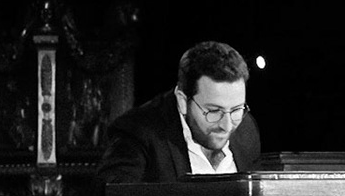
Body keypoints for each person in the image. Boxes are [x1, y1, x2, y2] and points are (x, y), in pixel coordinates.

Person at [95, 40, 263, 185]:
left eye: (236, 109)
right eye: (213, 111)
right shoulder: (138, 131)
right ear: (183, 101)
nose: (227, 125)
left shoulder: (247, 129)